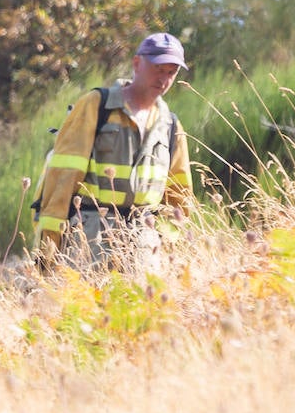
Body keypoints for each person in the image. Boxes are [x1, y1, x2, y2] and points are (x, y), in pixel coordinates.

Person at [33, 32, 194, 267]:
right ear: (137, 64)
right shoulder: (96, 106)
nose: (164, 79)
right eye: (158, 69)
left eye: (171, 72)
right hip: (89, 241)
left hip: (144, 246)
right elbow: (61, 179)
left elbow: (179, 196)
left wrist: (168, 246)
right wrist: (49, 248)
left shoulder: (170, 125)